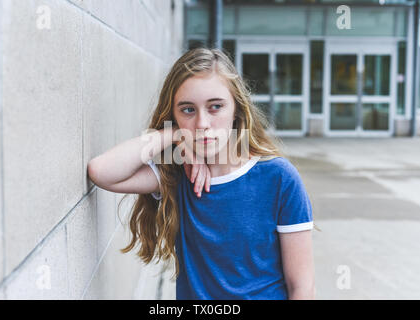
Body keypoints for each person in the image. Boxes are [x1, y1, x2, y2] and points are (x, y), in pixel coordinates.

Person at [87, 48, 315, 300]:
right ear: (173, 115)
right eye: (187, 110)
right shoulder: (175, 176)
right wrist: (172, 134)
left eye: (215, 106)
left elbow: (301, 287)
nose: (202, 124)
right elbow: (102, 171)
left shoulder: (279, 178)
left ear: (237, 110)